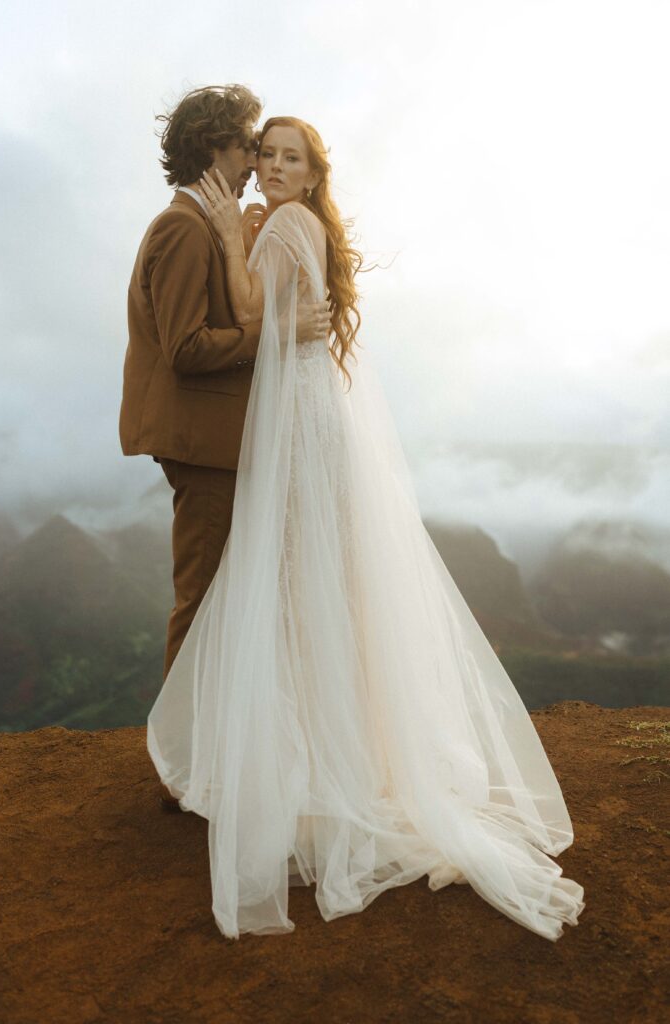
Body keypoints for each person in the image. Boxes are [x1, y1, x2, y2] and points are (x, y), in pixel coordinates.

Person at [147, 116, 586, 942]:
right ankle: (327, 759)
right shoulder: (294, 222)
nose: (271, 167)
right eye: (264, 154)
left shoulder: (279, 223)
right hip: (308, 419)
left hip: (298, 432)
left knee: (295, 590)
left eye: (288, 159)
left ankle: (315, 771)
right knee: (309, 591)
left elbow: (248, 308)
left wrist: (226, 233)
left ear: (312, 176)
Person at [119, 87, 331, 702]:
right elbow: (186, 348)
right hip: (203, 444)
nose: (255, 163)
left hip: (218, 441)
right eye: (248, 147)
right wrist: (280, 329)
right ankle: (179, 773)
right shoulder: (183, 229)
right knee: (205, 600)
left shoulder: (209, 224)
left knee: (224, 597)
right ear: (214, 149)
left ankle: (205, 754)